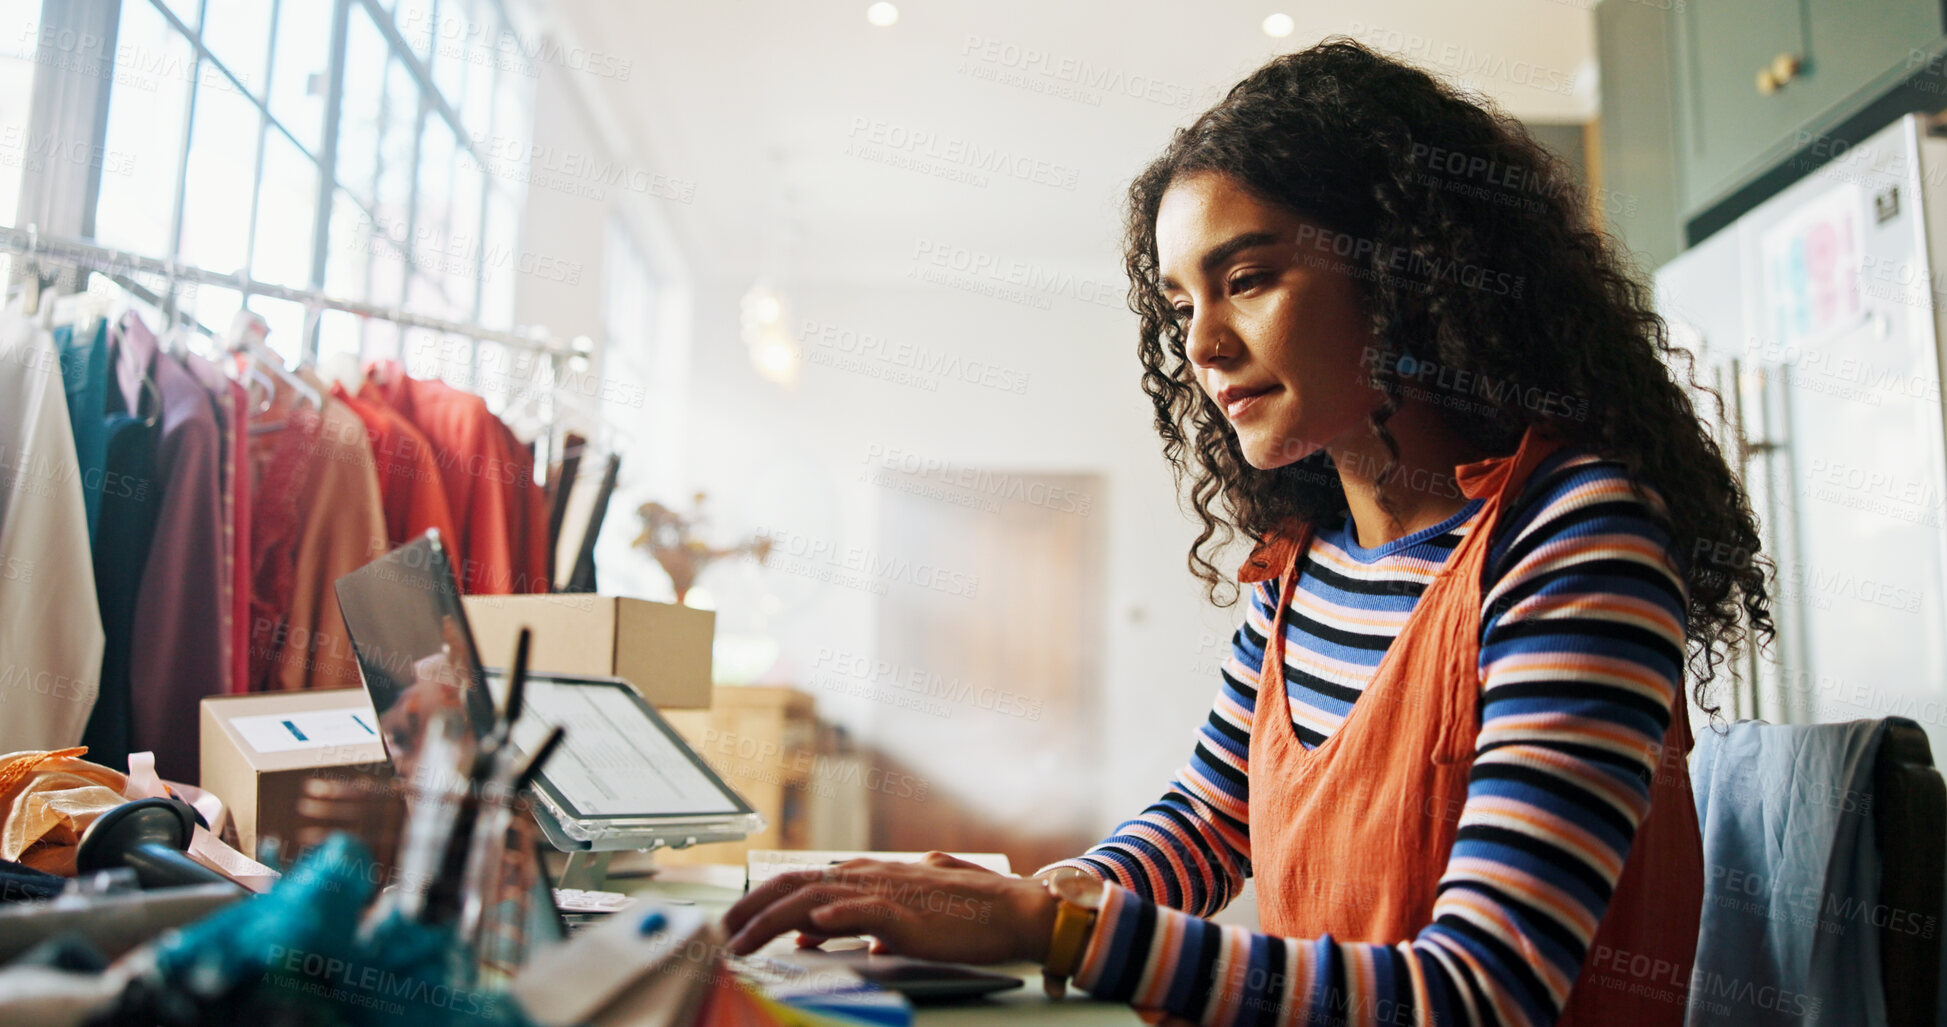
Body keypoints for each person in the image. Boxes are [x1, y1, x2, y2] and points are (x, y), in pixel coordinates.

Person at [723, 38, 1772, 1027]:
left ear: (1406, 270)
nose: (1204, 346)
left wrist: (1058, 928)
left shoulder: (1576, 539)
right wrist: (1030, 894)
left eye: (1249, 278)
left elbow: (1479, 992)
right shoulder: (1303, 564)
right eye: (1179, 304)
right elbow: (1211, 821)